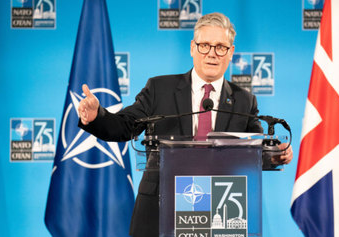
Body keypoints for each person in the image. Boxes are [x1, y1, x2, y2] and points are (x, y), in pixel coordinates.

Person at [78, 12, 293, 237]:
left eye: (220, 47)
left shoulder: (244, 100)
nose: (212, 54)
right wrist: (97, 116)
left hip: (220, 210)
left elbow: (255, 149)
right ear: (192, 48)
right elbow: (125, 125)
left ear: (231, 53)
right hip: (161, 208)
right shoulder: (159, 88)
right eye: (205, 45)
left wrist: (275, 154)